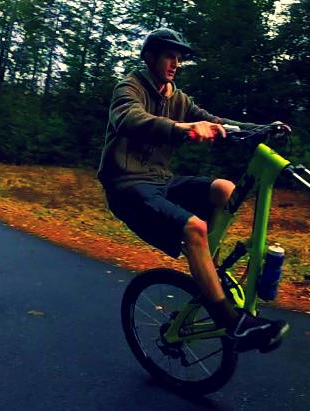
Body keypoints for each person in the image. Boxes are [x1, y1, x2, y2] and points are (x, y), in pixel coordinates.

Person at [96, 28, 289, 353]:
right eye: (170, 56)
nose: (176, 63)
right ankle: (234, 325)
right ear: (150, 56)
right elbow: (130, 118)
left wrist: (261, 130)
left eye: (179, 58)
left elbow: (216, 122)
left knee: (226, 189)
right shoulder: (130, 87)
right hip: (127, 186)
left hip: (162, 181)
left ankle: (206, 268)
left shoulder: (179, 99)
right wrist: (182, 129)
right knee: (194, 228)